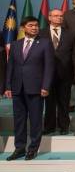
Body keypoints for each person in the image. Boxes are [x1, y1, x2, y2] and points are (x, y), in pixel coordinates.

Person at [5, 17, 54, 161]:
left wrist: (45, 86)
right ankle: (19, 148)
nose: (34, 28)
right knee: (19, 120)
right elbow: (11, 67)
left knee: (35, 120)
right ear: (23, 28)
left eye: (36, 25)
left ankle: (33, 149)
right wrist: (8, 86)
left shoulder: (45, 43)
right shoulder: (15, 44)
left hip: (36, 88)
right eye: (31, 25)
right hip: (17, 88)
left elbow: (49, 67)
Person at [40, 9, 75, 135]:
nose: (59, 18)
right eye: (56, 16)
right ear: (49, 17)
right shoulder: (41, 33)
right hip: (46, 75)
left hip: (65, 74)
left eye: (61, 16)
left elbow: (73, 55)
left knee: (64, 101)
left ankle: (64, 126)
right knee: (49, 102)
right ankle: (49, 127)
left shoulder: (71, 34)